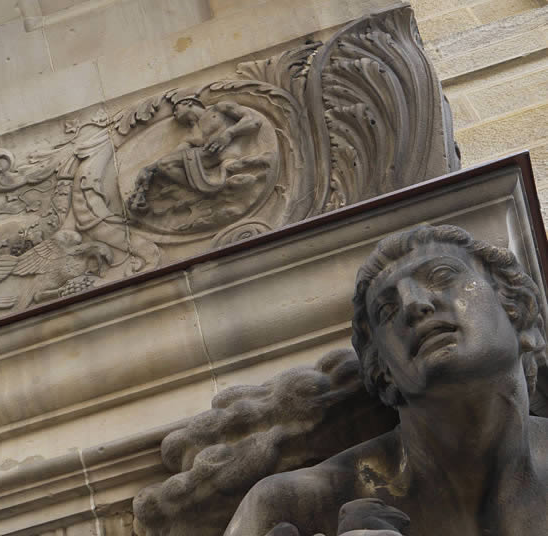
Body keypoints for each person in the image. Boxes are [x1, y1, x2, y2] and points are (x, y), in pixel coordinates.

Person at [224, 225, 548, 536]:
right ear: (383, 371)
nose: (413, 305)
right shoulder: (295, 505)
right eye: (387, 310)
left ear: (519, 309)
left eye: (442, 276)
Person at [128, 95, 271, 213]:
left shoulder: (220, 108)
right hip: (208, 158)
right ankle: (202, 191)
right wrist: (149, 168)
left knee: (164, 164)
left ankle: (207, 189)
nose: (175, 114)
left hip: (230, 151)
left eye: (177, 109)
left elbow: (254, 121)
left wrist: (229, 133)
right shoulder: (192, 134)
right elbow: (174, 154)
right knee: (164, 164)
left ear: (188, 103)